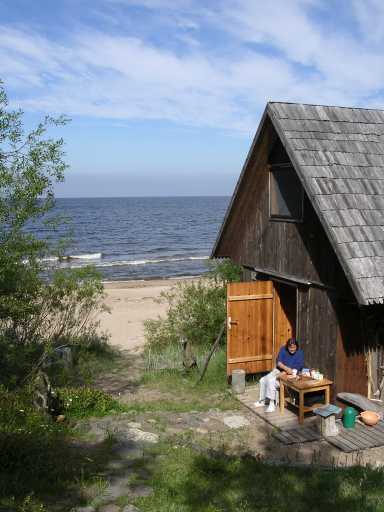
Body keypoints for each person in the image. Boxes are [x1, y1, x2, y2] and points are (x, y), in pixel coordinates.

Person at [254, 338, 304, 412]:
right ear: (287, 346)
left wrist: (284, 372)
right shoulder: (283, 349)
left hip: (290, 373)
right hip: (279, 370)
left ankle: (271, 403)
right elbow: (279, 363)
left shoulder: (300, 353)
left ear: (297, 346)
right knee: (262, 380)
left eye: (294, 348)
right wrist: (285, 369)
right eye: (290, 348)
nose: (292, 350)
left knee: (271, 381)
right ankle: (263, 401)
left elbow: (297, 368)